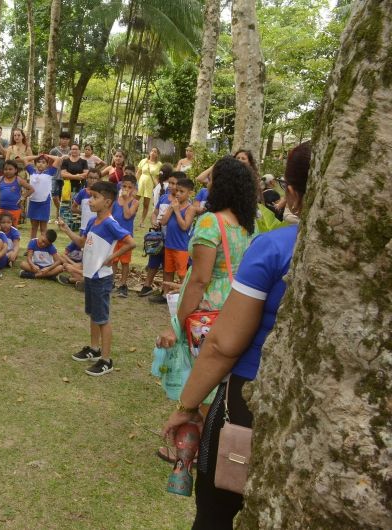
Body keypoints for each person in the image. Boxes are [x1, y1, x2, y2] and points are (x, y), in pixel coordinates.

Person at [161, 142, 310, 528]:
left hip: (250, 391)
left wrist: (185, 407)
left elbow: (224, 344)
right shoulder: (255, 223)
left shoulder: (274, 244)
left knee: (217, 507)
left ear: (292, 193)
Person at [154, 157, 257, 463]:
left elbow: (199, 279)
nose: (206, 184)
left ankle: (190, 449)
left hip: (207, 309)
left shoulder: (211, 222)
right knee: (219, 382)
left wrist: (176, 322)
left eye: (211, 179)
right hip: (237, 306)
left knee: (200, 377)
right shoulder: (245, 224)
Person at [60, 181, 136, 376]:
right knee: (94, 314)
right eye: (91, 197)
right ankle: (94, 349)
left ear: (108, 201)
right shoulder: (94, 222)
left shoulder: (110, 223)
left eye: (95, 197)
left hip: (101, 277)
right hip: (90, 275)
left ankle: (106, 359)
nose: (91, 201)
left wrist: (112, 257)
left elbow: (130, 242)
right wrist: (67, 229)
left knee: (102, 319)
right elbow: (82, 243)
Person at [153, 177, 196, 303]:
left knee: (182, 273)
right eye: (177, 191)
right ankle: (166, 295)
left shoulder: (190, 208)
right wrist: (171, 208)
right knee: (168, 271)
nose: (177, 194)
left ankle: (184, 298)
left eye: (181, 191)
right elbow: (163, 222)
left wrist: (177, 211)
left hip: (181, 247)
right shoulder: (173, 205)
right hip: (169, 244)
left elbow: (184, 226)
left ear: (190, 193)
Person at [138, 171, 179, 297]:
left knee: (168, 266)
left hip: (172, 239)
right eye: (169, 182)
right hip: (159, 236)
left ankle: (166, 290)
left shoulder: (181, 201)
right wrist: (154, 221)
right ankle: (147, 285)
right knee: (153, 261)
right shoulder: (163, 198)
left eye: (173, 183)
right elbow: (155, 212)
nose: (170, 185)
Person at [111, 173, 139, 297]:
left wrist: (127, 200)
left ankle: (123, 284)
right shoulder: (115, 200)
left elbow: (127, 215)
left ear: (134, 189)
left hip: (126, 237)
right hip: (114, 235)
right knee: (113, 260)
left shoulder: (134, 202)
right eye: (124, 186)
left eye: (129, 187)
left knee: (125, 262)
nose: (126, 189)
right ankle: (111, 282)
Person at [23, 154, 62, 240]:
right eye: (39, 162)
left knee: (43, 228)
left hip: (44, 203)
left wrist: (46, 155)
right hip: (33, 202)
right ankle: (31, 247)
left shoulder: (50, 172)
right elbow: (25, 158)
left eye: (44, 162)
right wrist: (37, 156)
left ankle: (43, 246)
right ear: (35, 163)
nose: (41, 164)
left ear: (47, 165)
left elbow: (58, 159)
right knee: (33, 227)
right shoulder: (31, 171)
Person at [0, 160, 33, 226]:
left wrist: (22, 197)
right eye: (5, 169)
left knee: (13, 227)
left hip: (14, 209)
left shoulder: (18, 180)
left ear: (15, 170)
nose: (8, 171)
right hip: (1, 209)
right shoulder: (1, 179)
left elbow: (31, 189)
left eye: (10, 169)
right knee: (0, 227)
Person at [136, 147, 162, 227]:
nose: (153, 153)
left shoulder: (159, 164)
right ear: (149, 152)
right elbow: (138, 173)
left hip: (150, 184)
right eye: (152, 151)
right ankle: (130, 217)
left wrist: (158, 187)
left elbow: (158, 177)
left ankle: (142, 221)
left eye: (155, 152)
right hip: (141, 183)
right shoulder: (143, 161)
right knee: (135, 201)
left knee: (146, 204)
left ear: (157, 154)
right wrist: (136, 183)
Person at [71, 168, 100, 234]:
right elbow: (73, 208)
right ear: (87, 178)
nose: (93, 180)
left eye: (95, 178)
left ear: (99, 180)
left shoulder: (102, 193)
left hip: (97, 229)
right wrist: (83, 212)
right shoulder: (82, 192)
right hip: (84, 228)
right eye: (91, 178)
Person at [49, 131, 73, 213]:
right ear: (60, 139)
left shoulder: (72, 151)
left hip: (67, 177)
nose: (65, 141)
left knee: (65, 197)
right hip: (55, 176)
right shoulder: (54, 151)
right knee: (54, 196)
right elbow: (49, 163)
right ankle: (61, 211)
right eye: (63, 139)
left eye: (67, 139)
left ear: (69, 140)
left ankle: (59, 217)